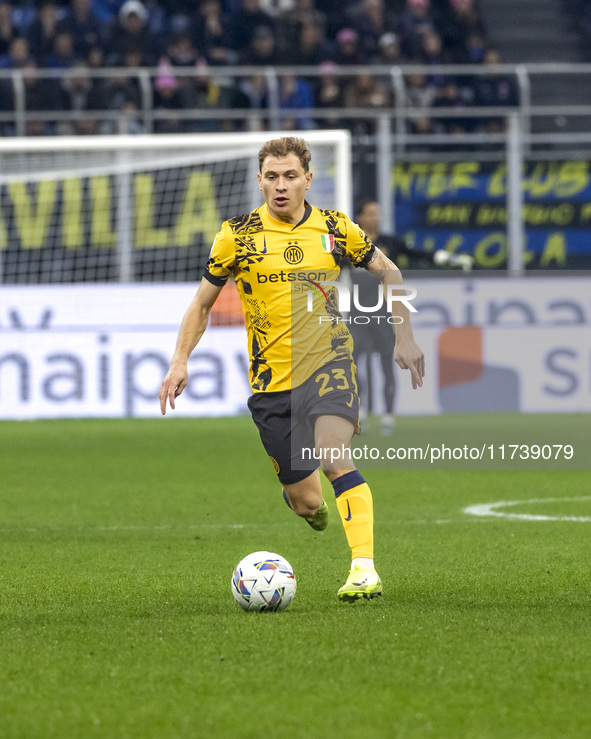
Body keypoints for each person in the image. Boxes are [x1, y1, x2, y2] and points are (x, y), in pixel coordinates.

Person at [159, 137, 424, 602]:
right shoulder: (236, 235)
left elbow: (390, 272)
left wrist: (404, 334)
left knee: (332, 452)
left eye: (290, 176)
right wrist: (180, 359)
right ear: (260, 180)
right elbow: (202, 304)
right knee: (308, 501)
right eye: (272, 177)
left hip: (329, 362)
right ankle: (305, 501)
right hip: (271, 384)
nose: (280, 186)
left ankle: (364, 569)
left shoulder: (336, 228)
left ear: (307, 179)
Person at [347, 198, 471, 434]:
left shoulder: (389, 243)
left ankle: (388, 418)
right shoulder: (350, 243)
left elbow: (418, 253)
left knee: (387, 364)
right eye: (370, 213)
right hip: (356, 315)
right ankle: (359, 412)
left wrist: (449, 259)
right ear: (360, 217)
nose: (375, 218)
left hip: (384, 315)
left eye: (377, 213)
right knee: (352, 365)